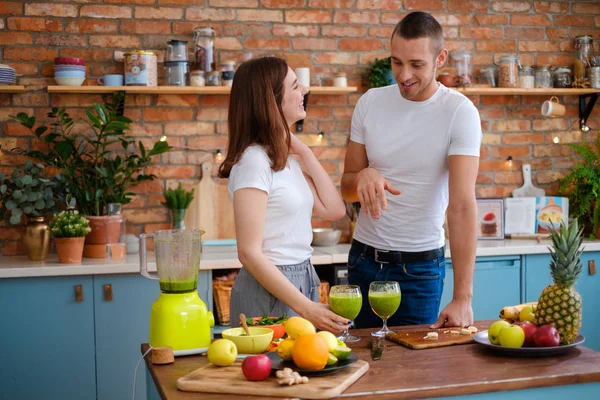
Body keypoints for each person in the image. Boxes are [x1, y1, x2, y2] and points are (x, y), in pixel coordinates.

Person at [340, 11, 482, 330]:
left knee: (415, 373)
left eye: (416, 64)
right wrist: (362, 177)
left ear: (440, 58)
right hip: (363, 263)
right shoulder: (369, 103)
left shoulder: (459, 113)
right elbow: (346, 187)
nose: (404, 75)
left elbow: (460, 206)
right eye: (396, 61)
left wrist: (463, 298)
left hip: (419, 271)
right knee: (360, 369)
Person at [218, 56, 349, 333]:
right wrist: (306, 306)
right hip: (270, 286)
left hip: (303, 276)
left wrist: (305, 151)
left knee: (302, 370)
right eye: (295, 86)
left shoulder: (285, 159)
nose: (304, 91)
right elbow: (249, 253)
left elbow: (335, 209)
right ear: (272, 100)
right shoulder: (253, 162)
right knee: (274, 372)